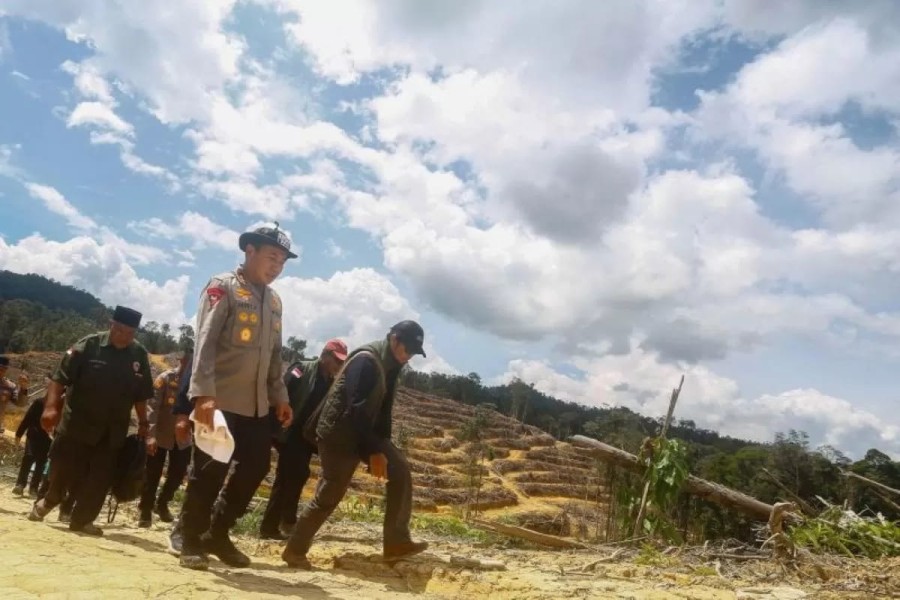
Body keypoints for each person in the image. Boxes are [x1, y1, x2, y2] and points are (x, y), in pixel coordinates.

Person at [178, 223, 295, 570]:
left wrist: (281, 396)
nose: (276, 267)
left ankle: (218, 532)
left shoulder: (274, 301)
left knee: (256, 466)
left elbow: (274, 355)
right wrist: (203, 395)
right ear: (250, 251)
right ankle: (189, 538)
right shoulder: (223, 287)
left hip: (256, 406)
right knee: (210, 471)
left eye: (282, 262)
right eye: (272, 257)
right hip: (220, 402)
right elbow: (205, 341)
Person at [282, 320, 429, 568]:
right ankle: (294, 550)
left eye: (414, 354)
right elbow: (355, 409)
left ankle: (396, 543)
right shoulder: (366, 361)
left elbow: (383, 411)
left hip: (363, 433)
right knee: (330, 493)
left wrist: (384, 446)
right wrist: (373, 452)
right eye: (407, 351)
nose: (409, 357)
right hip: (338, 435)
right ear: (394, 340)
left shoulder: (391, 364)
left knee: (400, 470)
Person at [28, 306, 152, 536]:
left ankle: (82, 520)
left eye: (129, 333)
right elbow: (59, 379)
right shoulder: (88, 346)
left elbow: (142, 394)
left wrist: (144, 423)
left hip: (112, 430)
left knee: (100, 477)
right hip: (77, 423)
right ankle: (51, 498)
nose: (123, 336)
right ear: (111, 324)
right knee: (62, 467)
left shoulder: (139, 355)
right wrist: (51, 408)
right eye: (120, 330)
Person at [259, 338, 348, 540]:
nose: (339, 365)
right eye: (336, 360)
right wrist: (277, 425)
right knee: (287, 477)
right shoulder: (302, 369)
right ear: (325, 355)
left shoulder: (330, 382)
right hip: (290, 432)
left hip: (306, 439)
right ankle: (274, 525)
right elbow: (284, 391)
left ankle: (284, 521)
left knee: (297, 475)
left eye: (342, 362)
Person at [138, 346, 194, 527]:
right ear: (182, 360)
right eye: (189, 361)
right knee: (152, 474)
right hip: (160, 435)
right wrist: (150, 436)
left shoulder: (198, 384)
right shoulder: (166, 379)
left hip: (183, 438)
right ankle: (145, 511)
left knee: (178, 473)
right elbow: (152, 408)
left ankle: (162, 504)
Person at [13, 381, 52, 497]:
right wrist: (19, 434)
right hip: (33, 436)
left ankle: (33, 488)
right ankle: (20, 484)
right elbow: (27, 418)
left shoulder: (57, 407)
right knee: (28, 457)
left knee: (41, 463)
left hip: (48, 439)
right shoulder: (38, 402)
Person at [0, 355, 28, 435]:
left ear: (6, 370)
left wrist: (23, 388)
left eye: (2, 369)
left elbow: (20, 403)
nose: (0, 371)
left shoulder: (10, 386)